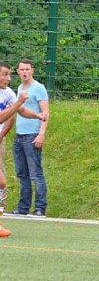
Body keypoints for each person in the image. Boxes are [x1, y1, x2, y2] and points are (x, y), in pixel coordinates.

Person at [5, 58, 49, 217]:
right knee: (21, 173)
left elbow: (45, 112)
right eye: (22, 69)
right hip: (20, 135)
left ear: (32, 70)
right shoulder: (19, 88)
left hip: (32, 134)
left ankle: (40, 208)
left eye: (27, 69)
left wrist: (41, 133)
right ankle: (23, 207)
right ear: (18, 72)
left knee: (35, 172)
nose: (25, 72)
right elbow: (19, 110)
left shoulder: (39, 88)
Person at [0, 61, 30, 233]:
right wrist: (18, 103)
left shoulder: (6, 92)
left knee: (2, 183)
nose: (9, 79)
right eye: (5, 74)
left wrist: (38, 115)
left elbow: (20, 111)